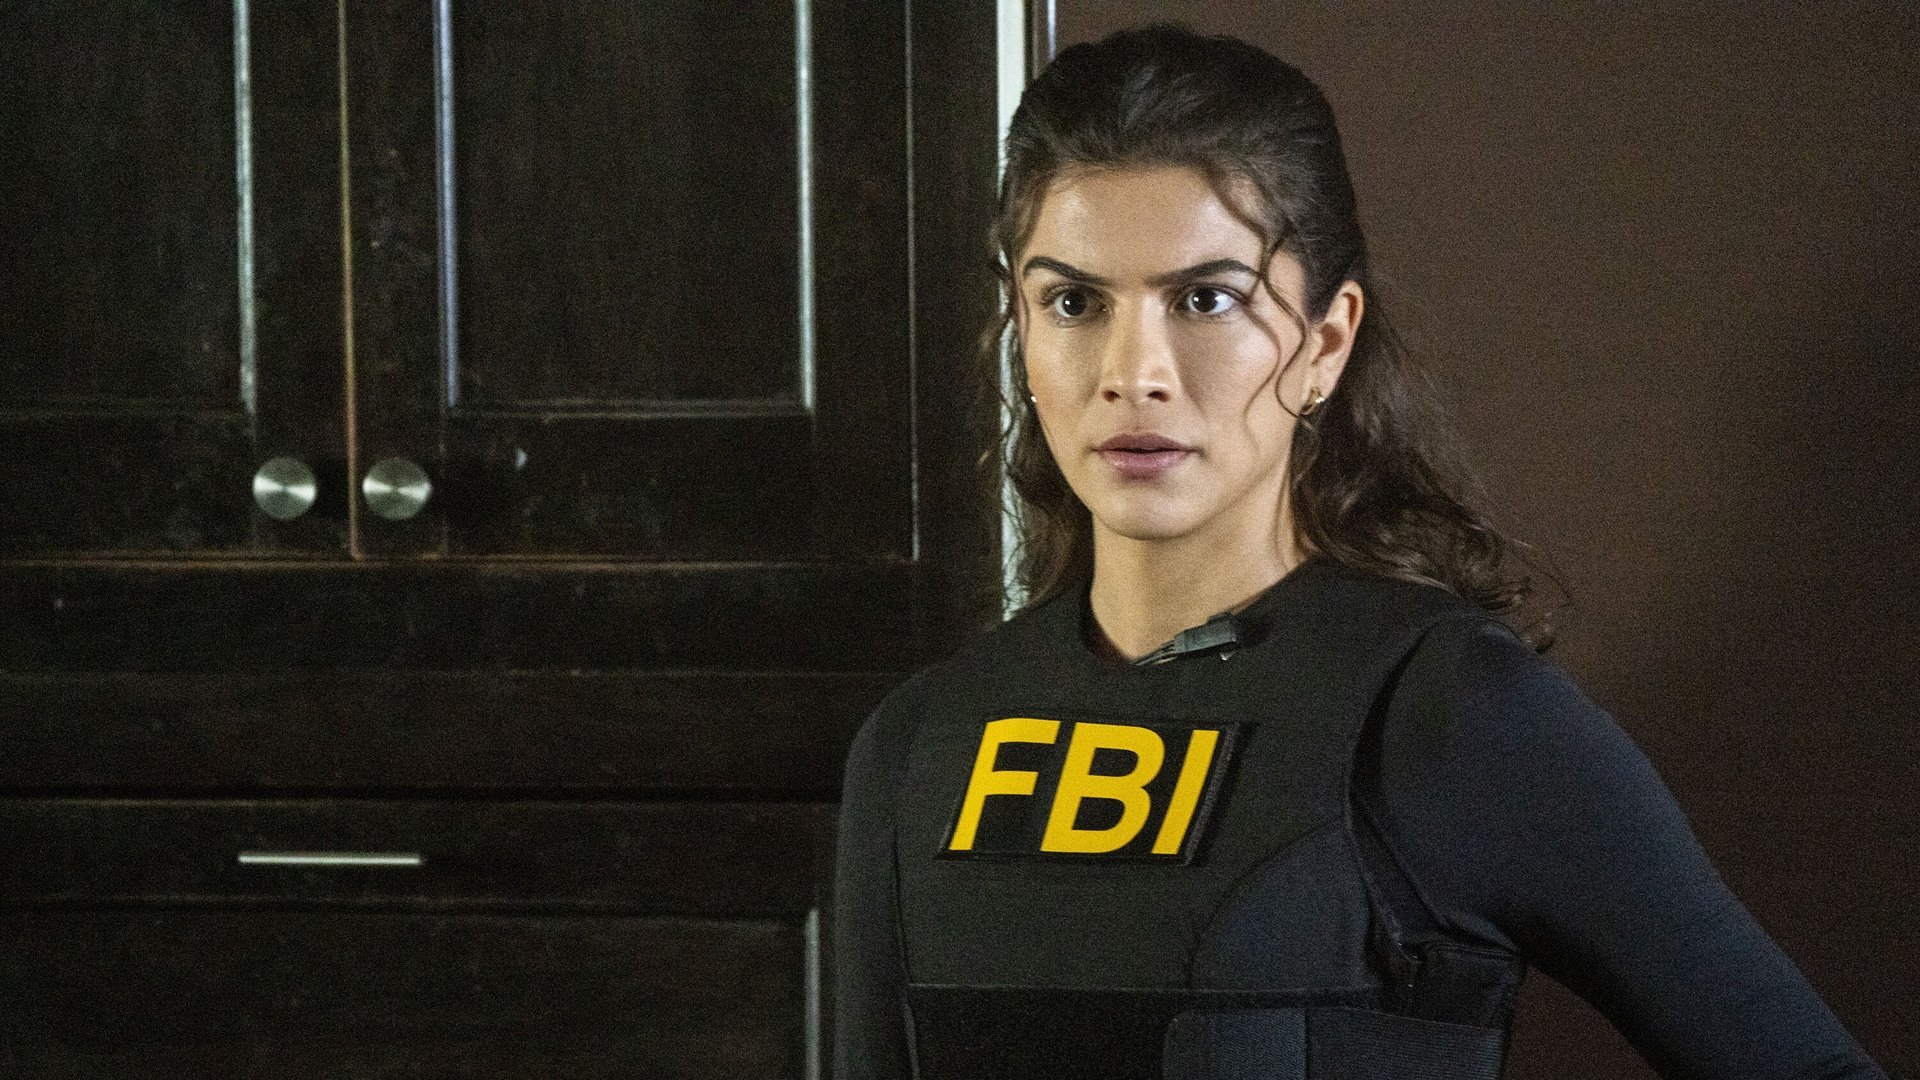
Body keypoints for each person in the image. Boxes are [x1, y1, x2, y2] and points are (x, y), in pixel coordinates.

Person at [833, 23, 1893, 1080]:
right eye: (1075, 302)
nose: (1133, 372)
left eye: (1206, 299)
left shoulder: (1449, 720)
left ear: (1326, 342)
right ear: (1020, 329)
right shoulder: (918, 749)